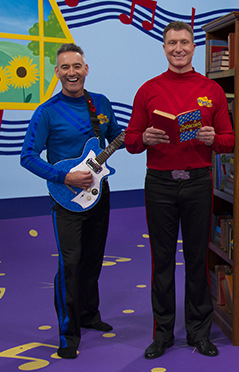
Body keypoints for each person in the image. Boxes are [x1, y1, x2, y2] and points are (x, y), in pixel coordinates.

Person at [124, 21, 234, 359]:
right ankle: (164, 333)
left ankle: (199, 332)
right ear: (164, 47)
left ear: (193, 46)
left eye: (184, 42)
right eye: (172, 43)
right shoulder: (148, 89)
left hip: (198, 180)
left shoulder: (211, 90)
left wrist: (212, 139)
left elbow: (229, 140)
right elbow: (129, 140)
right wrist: (143, 138)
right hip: (159, 183)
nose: (178, 49)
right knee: (162, 261)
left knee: (198, 258)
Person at [20, 43, 122, 359]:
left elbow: (118, 136)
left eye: (76, 66)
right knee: (70, 264)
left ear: (86, 69)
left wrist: (140, 137)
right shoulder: (47, 112)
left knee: (93, 259)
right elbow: (28, 156)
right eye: (65, 67)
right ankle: (68, 333)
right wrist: (63, 177)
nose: (71, 72)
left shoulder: (100, 104)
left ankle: (90, 315)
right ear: (57, 72)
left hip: (98, 195)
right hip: (66, 199)